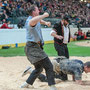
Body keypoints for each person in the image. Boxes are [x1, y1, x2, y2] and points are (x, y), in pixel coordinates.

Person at [20, 5, 57, 90]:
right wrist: (45, 15)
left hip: (34, 47)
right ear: (33, 12)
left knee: (39, 68)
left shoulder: (36, 20)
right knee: (49, 66)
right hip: (32, 47)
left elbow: (38, 20)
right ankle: (52, 86)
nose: (39, 11)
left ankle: (27, 83)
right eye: (37, 10)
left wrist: (45, 22)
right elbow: (34, 21)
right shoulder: (30, 21)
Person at [22, 57, 90, 85]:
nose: (89, 72)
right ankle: (30, 70)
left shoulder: (80, 62)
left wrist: (74, 79)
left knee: (63, 79)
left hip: (59, 61)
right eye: (89, 70)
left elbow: (74, 72)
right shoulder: (79, 69)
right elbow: (79, 83)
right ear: (86, 67)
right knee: (48, 80)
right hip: (56, 66)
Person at [50, 16, 71, 81]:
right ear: (63, 20)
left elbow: (67, 34)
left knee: (66, 59)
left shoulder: (67, 25)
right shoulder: (58, 24)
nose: (68, 23)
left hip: (64, 44)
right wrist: (57, 36)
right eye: (67, 21)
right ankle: (62, 76)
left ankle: (60, 73)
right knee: (63, 59)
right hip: (59, 44)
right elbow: (51, 33)